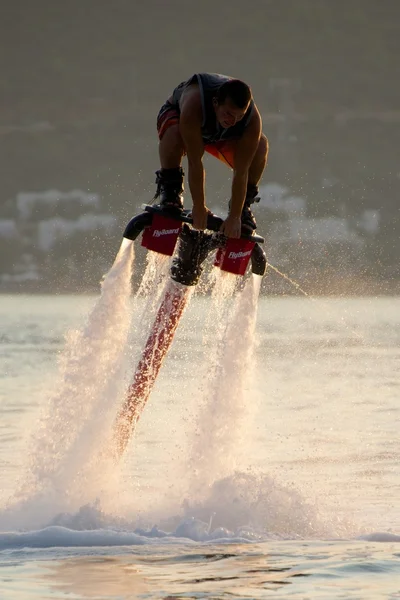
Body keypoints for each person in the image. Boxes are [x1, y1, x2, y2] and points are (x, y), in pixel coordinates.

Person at [154, 72, 268, 238]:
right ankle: (171, 190)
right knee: (174, 133)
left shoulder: (252, 120)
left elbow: (241, 172)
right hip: (180, 121)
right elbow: (194, 162)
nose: (233, 121)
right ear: (215, 103)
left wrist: (235, 217)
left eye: (239, 116)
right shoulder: (194, 103)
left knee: (260, 145)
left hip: (218, 136)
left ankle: (244, 207)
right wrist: (199, 207)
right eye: (229, 114)